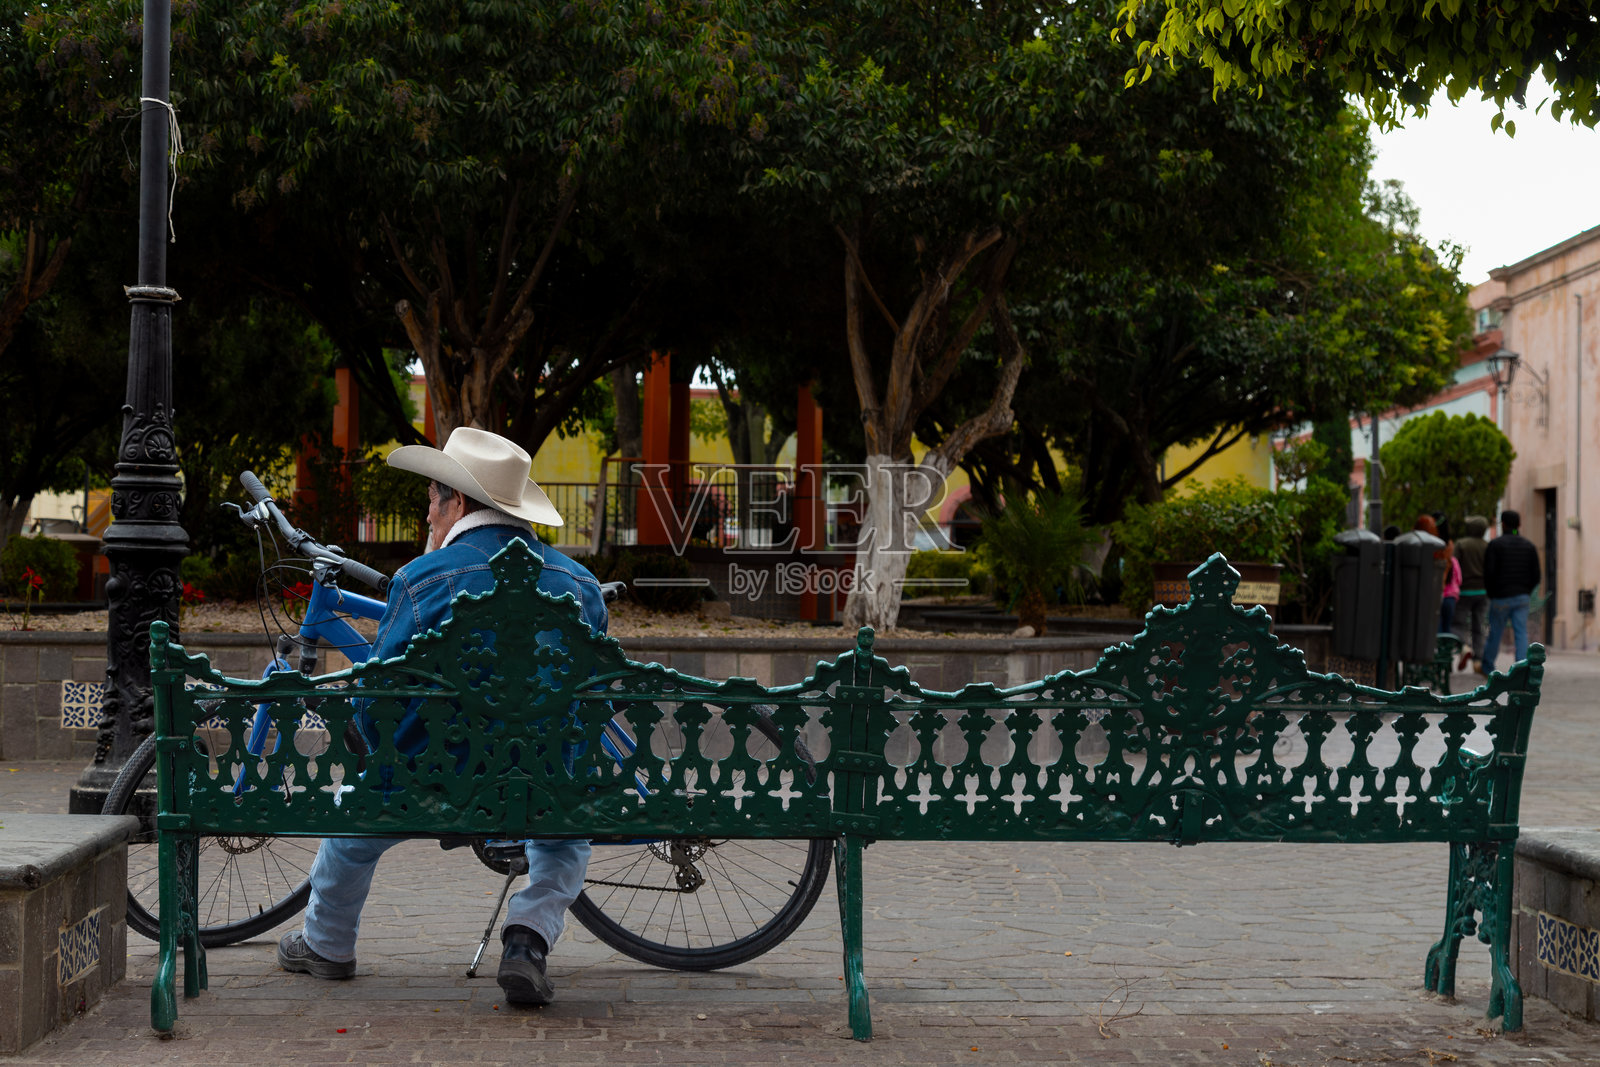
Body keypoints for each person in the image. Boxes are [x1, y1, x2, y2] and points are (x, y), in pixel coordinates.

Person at [276, 427, 608, 1008]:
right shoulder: (577, 583)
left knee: (355, 821)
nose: (429, 512)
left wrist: (373, 745)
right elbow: (597, 694)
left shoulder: (422, 578)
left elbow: (378, 701)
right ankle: (527, 939)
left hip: (433, 777)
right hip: (545, 781)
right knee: (562, 841)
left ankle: (326, 946)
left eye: (432, 498)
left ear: (457, 503)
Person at [1480, 509, 1541, 675]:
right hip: (1522, 596)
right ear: (1519, 524)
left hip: (1500, 597)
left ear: (1503, 524)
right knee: (1521, 633)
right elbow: (1536, 575)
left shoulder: (1495, 545)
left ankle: (1487, 667)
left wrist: (1492, 593)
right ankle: (1520, 670)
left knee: (1496, 632)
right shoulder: (1529, 546)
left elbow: (1489, 573)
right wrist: (1526, 590)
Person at [1454, 515, 1490, 670]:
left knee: (1458, 624)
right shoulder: (1487, 546)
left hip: (1464, 591)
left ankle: (1463, 646)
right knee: (1479, 625)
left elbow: (1454, 566)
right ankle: (1478, 660)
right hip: (1483, 591)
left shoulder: (1461, 544)